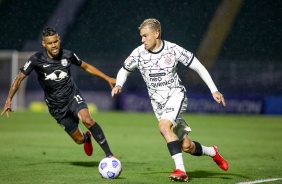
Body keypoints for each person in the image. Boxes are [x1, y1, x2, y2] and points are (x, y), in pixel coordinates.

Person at [111, 18, 228, 182]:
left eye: (145, 36)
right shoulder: (138, 53)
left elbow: (198, 66)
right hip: (158, 106)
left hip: (175, 96)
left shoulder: (173, 50)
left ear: (157, 33)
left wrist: (214, 89)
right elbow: (124, 70)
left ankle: (181, 170)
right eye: (141, 37)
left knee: (164, 127)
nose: (142, 40)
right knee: (187, 146)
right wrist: (119, 84)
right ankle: (213, 152)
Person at [1, 27, 115, 158]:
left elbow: (86, 66)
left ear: (59, 39)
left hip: (72, 96)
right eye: (50, 43)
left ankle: (109, 155)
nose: (54, 45)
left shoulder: (68, 55)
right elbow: (19, 78)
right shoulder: (36, 59)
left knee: (87, 120)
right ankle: (86, 138)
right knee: (78, 140)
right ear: (44, 44)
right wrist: (9, 99)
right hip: (56, 106)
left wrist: (107, 78)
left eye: (55, 41)